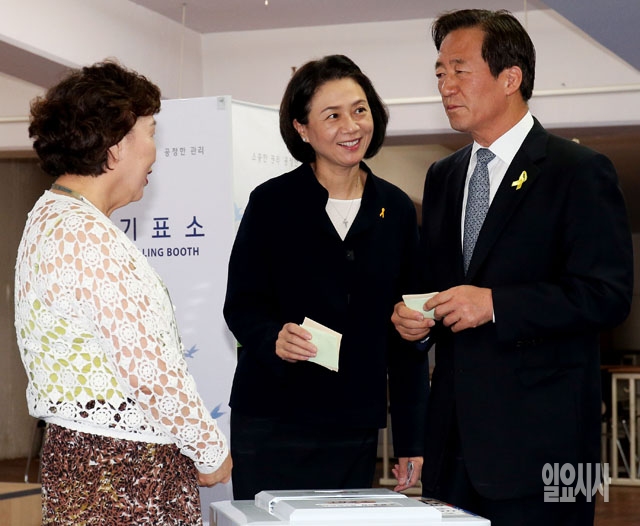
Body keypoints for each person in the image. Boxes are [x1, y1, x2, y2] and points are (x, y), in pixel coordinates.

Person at [391, 9, 633, 526]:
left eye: (460, 70)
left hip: (552, 446)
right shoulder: (442, 177)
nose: (446, 86)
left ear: (510, 78)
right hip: (454, 444)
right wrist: (417, 322)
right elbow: (434, 287)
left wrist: (497, 305)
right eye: (440, 73)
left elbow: (608, 295)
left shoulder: (579, 170)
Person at [15, 60, 232, 525]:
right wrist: (210, 450)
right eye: (150, 133)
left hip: (84, 462)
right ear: (115, 146)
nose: (155, 153)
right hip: (124, 471)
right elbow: (149, 370)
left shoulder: (50, 216)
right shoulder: (84, 235)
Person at [223, 54, 429, 500]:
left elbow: (407, 330)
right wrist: (273, 337)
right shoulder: (272, 203)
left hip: (353, 425)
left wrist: (412, 439)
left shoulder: (395, 210)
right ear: (302, 128)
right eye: (332, 115)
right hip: (272, 419)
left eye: (359, 110)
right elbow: (242, 304)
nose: (351, 126)